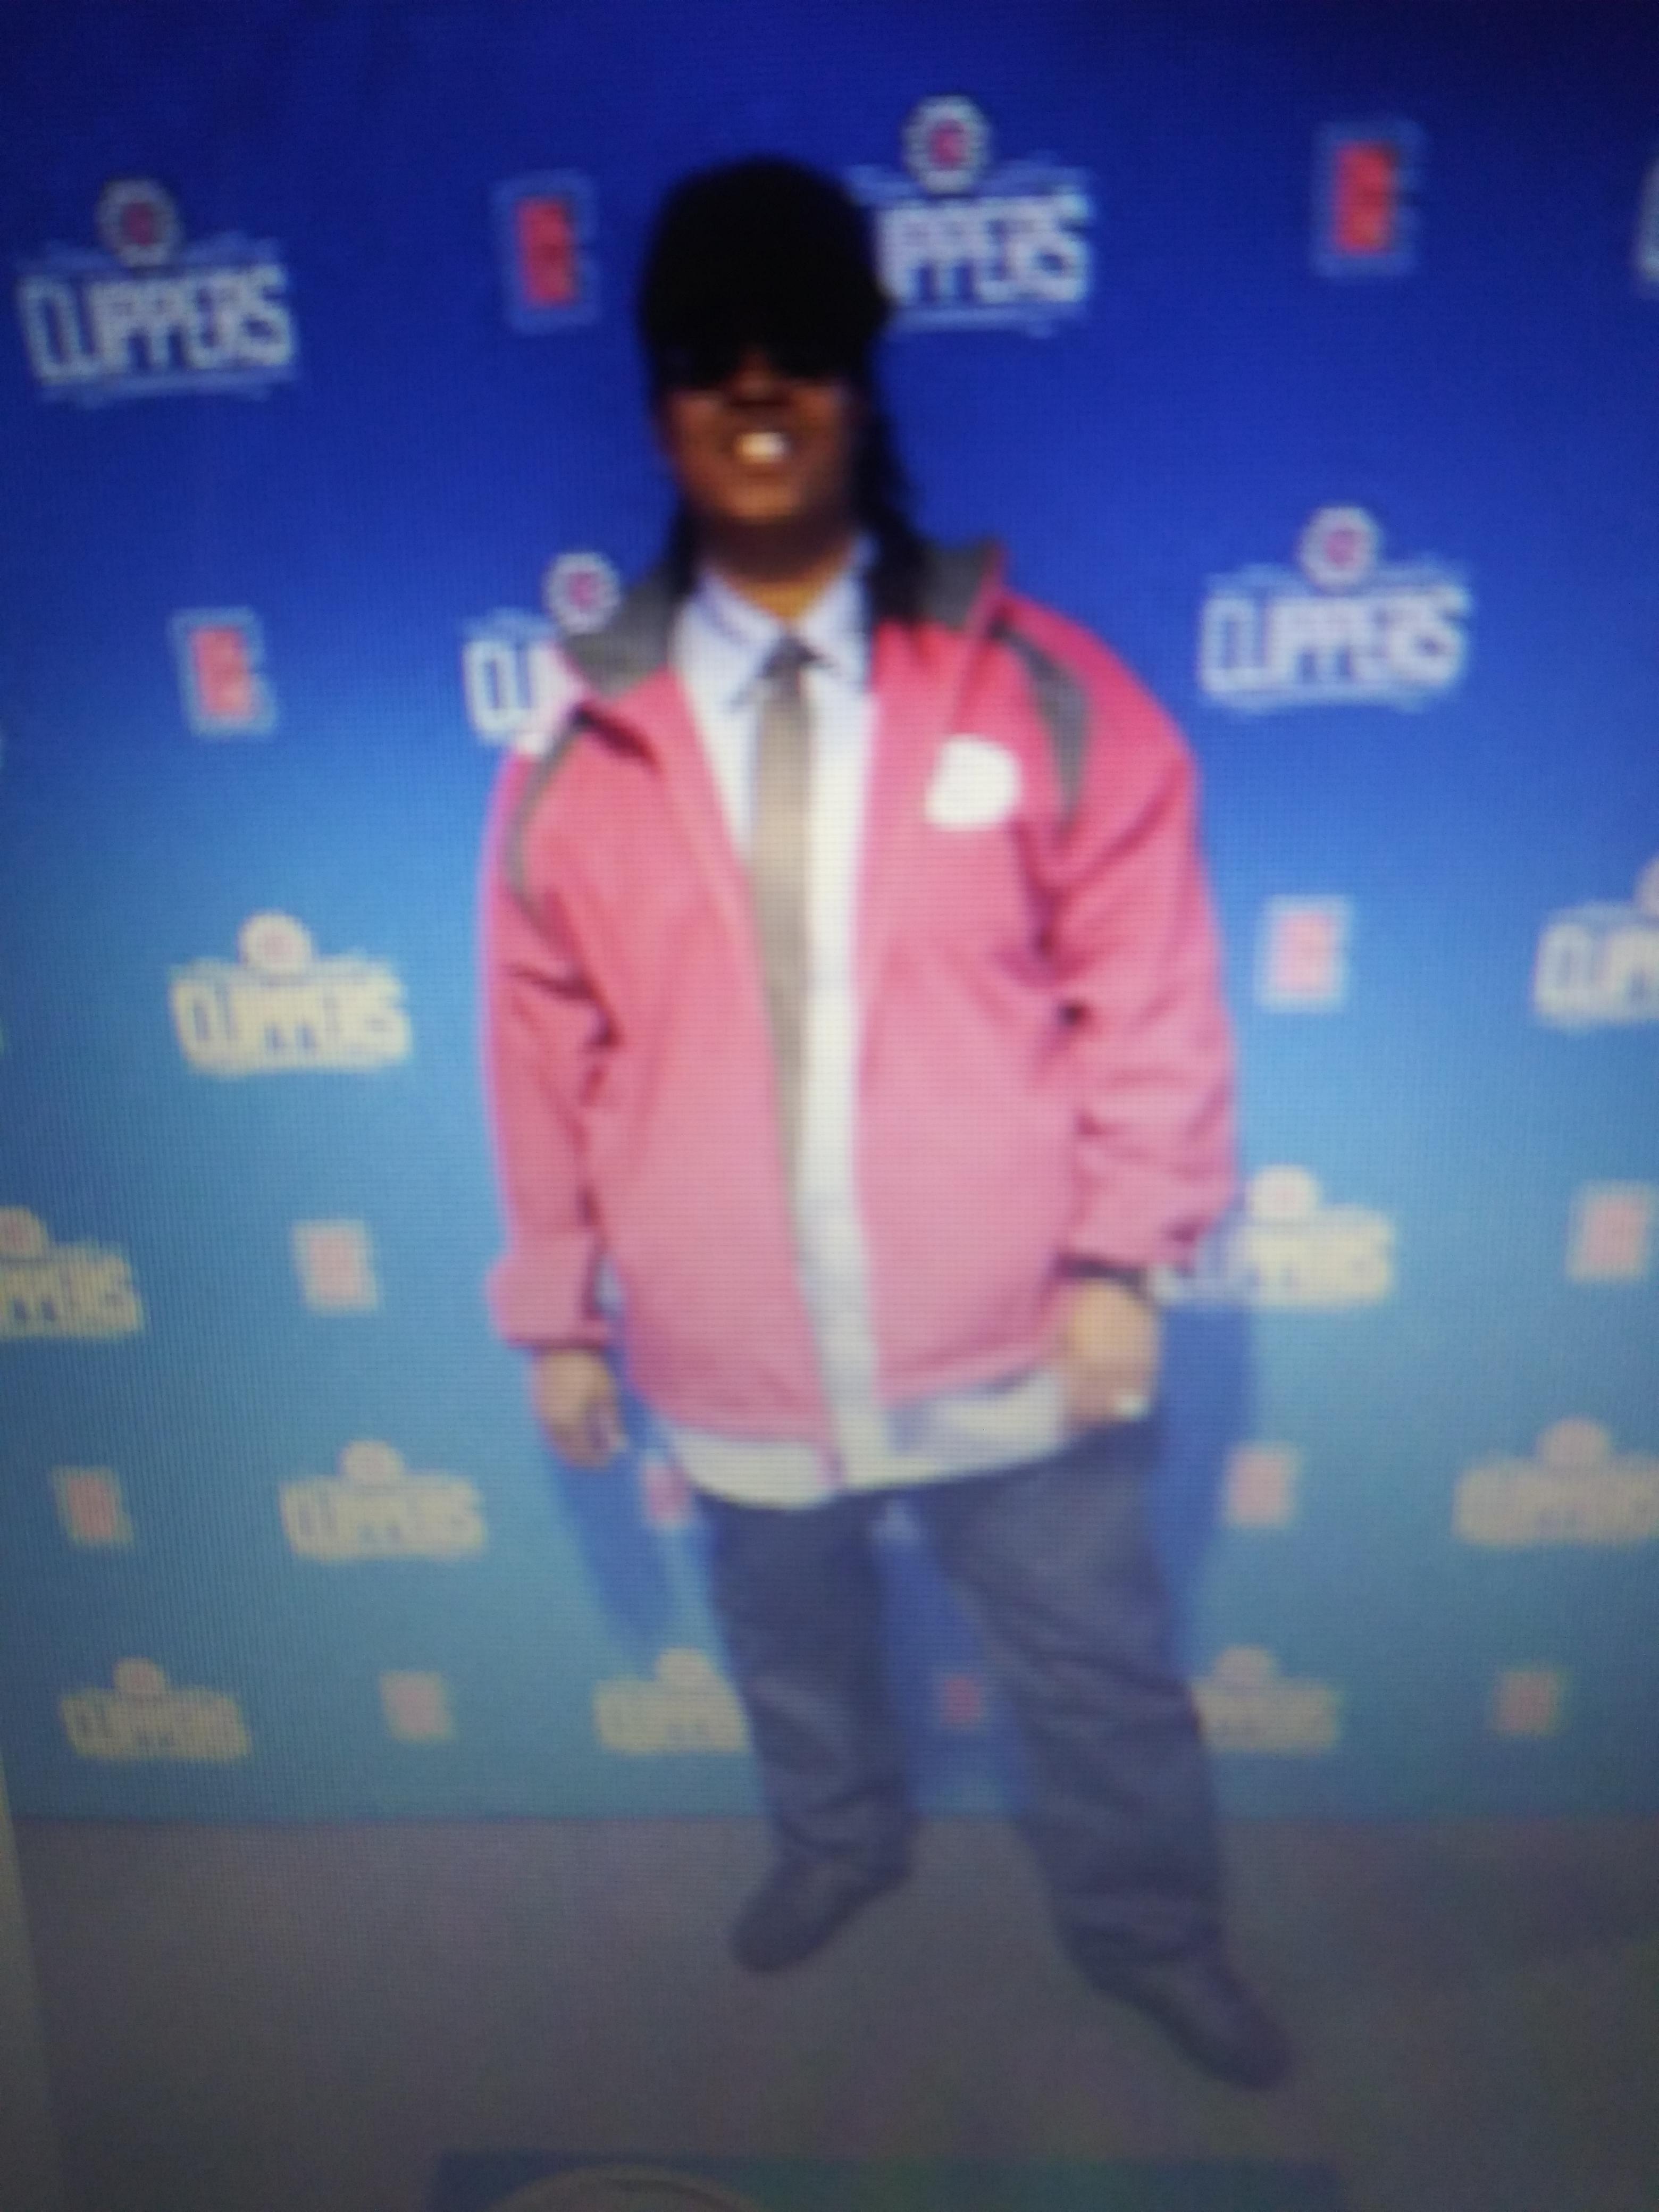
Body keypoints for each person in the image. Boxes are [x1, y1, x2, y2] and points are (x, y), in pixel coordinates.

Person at [481, 157, 1291, 2091]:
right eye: (710, 355)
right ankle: (839, 1845)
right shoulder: (576, 743)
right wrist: (557, 1311)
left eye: (802, 348)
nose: (756, 389)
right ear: (661, 405)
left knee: (1092, 1664)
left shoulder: (1044, 692)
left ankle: (1149, 1928)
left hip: (1004, 1323)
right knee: (790, 1643)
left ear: (861, 381)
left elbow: (1152, 987)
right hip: (733, 1338)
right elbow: (536, 1040)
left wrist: (1120, 1259)